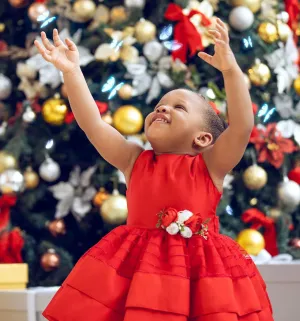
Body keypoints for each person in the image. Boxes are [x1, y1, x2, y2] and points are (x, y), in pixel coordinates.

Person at [34, 18, 273, 321]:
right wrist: (71, 73)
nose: (163, 108)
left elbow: (241, 126)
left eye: (178, 107)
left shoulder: (210, 165)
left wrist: (230, 71)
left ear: (203, 138)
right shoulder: (134, 160)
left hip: (201, 273)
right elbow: (93, 124)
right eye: (160, 104)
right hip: (138, 270)